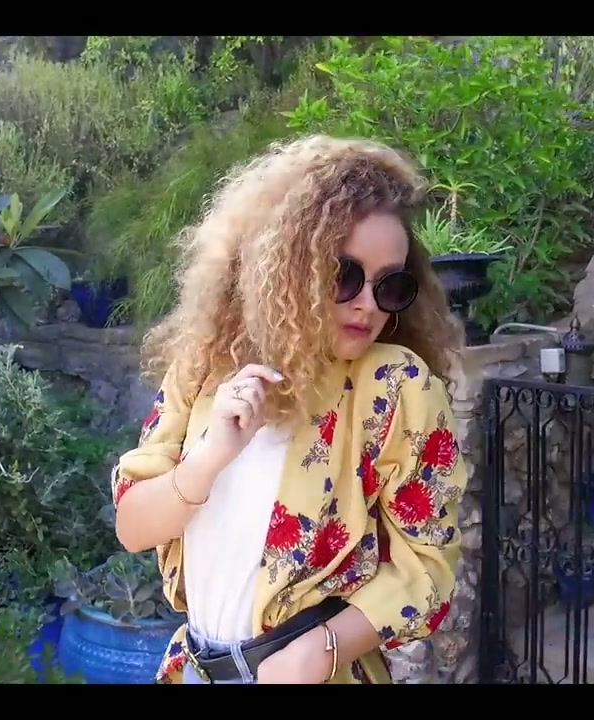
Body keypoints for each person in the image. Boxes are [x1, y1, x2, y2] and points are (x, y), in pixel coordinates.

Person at [109, 134, 467, 685]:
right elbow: (133, 528)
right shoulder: (204, 368)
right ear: (287, 264)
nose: (367, 304)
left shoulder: (395, 386)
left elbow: (429, 569)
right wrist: (211, 456)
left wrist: (321, 650)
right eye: (346, 276)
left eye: (390, 285)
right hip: (196, 670)